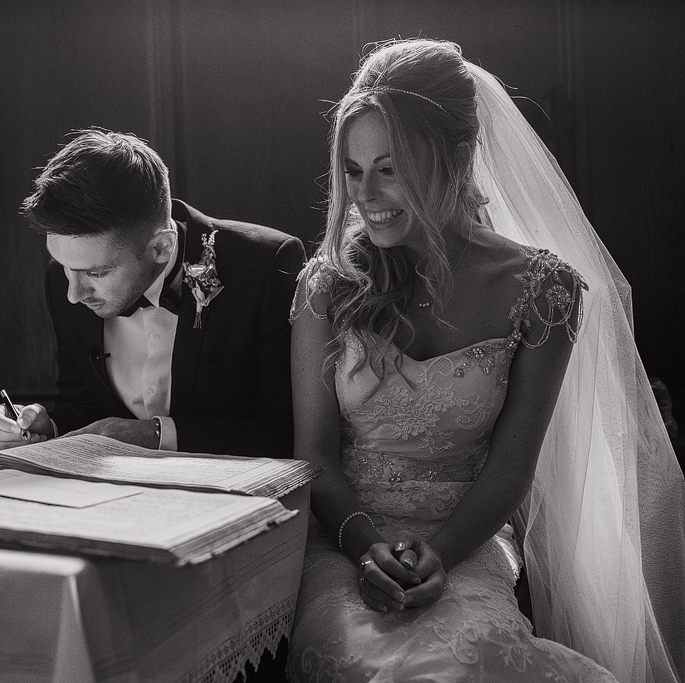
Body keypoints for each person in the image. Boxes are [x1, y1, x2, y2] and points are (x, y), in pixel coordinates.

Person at [287, 39, 684, 682]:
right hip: (343, 539)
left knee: (469, 663)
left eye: (390, 168)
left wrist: (441, 555)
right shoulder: (329, 286)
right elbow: (316, 457)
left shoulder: (543, 292)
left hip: (467, 542)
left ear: (456, 156)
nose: (366, 194)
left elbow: (511, 470)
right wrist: (366, 548)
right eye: (353, 171)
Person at [0, 130, 305, 457]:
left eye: (97, 273)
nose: (74, 294)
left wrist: (154, 435)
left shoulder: (265, 266)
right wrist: (48, 427)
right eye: (64, 265)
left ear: (161, 247)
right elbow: (82, 405)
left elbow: (286, 432)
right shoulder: (62, 281)